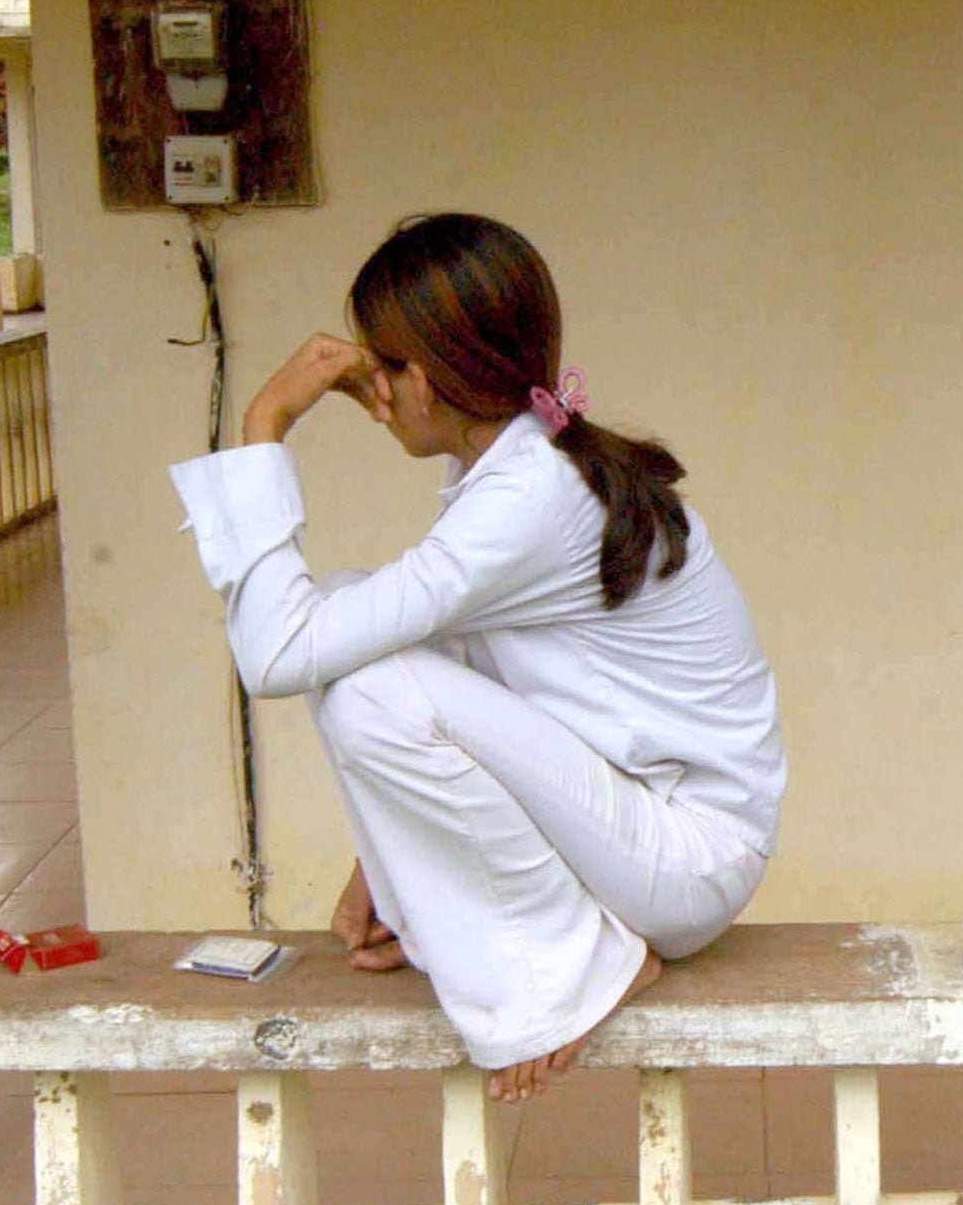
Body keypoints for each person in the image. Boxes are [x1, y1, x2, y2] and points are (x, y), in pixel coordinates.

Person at [170, 213, 785, 1101]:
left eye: (379, 367)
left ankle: (572, 971)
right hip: (645, 835)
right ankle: (571, 948)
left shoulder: (531, 498)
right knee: (352, 617)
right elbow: (461, 675)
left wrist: (265, 424)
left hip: (684, 859)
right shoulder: (525, 471)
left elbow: (279, 656)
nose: (371, 391)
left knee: (358, 660)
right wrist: (381, 870)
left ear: (420, 379)